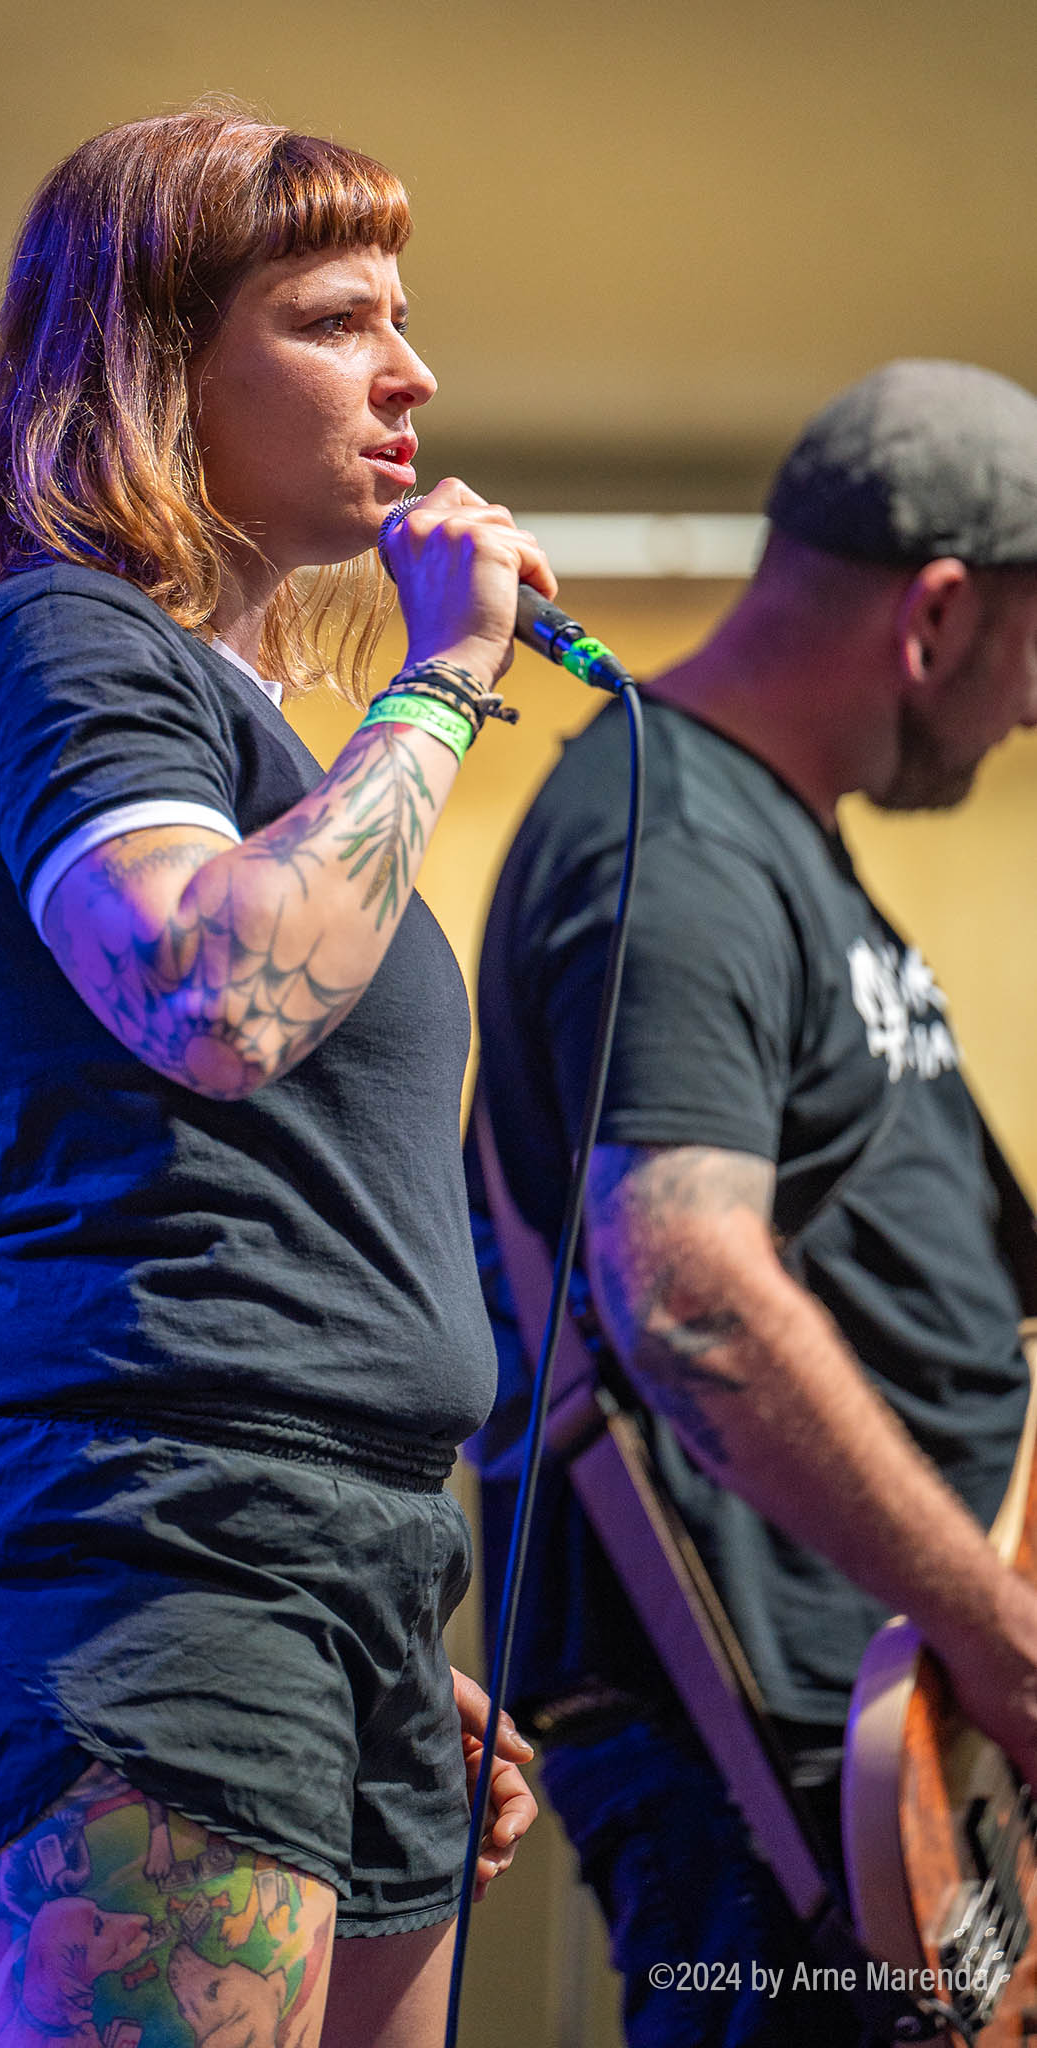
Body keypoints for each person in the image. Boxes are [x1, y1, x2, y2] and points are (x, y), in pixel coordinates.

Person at [0, 106, 541, 2048]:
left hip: (335, 1560)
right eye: (336, 320)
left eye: (401, 317)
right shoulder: (62, 640)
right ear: (156, 364)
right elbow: (215, 994)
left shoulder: (253, 734)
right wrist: (445, 677)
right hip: (165, 1548)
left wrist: (365, 1598)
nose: (411, 373)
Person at [472, 359, 1037, 2047]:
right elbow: (688, 1291)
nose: (1032, 712)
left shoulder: (770, 842)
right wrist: (999, 1636)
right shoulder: (676, 844)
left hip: (896, 1727)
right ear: (937, 617)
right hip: (778, 1746)